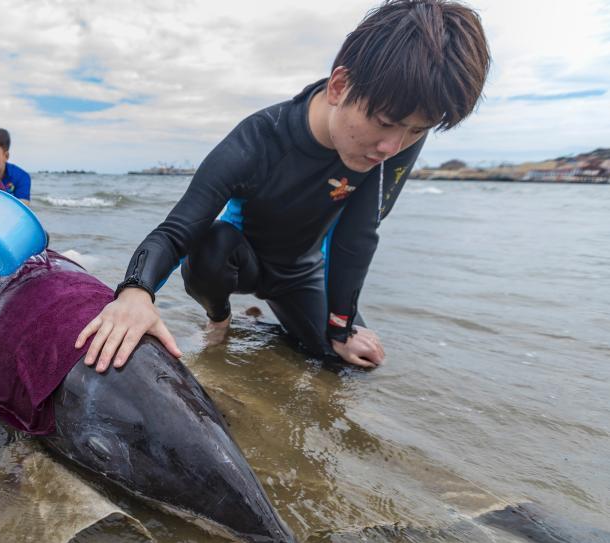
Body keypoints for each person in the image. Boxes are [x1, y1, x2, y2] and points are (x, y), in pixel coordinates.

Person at [77, 0, 490, 372]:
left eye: (418, 131)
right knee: (211, 242)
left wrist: (342, 326)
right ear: (340, 86)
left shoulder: (394, 140)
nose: (392, 147)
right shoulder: (258, 139)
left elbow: (357, 235)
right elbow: (177, 230)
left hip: (302, 272)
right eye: (385, 122)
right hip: (236, 260)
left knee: (345, 365)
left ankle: (276, 329)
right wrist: (135, 293)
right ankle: (219, 320)